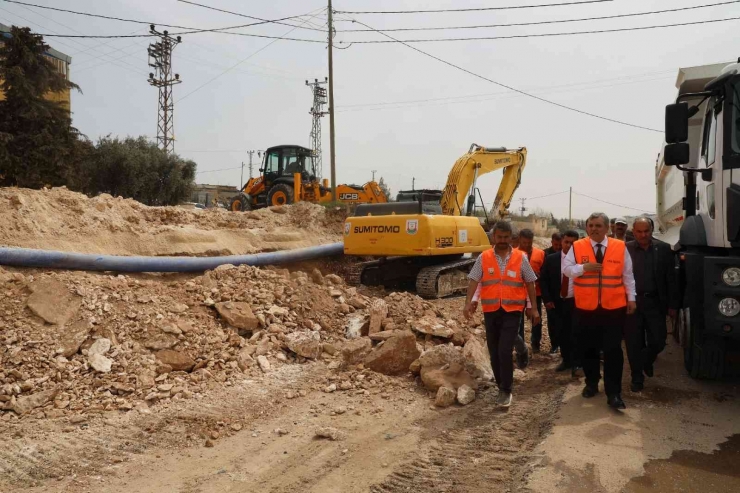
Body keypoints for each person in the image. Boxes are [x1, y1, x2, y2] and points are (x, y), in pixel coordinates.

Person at [563, 212, 636, 410]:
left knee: (613, 350)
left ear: (607, 228)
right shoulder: (578, 247)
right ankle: (592, 383)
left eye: (598, 225)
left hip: (613, 308)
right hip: (586, 308)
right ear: (587, 228)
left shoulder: (620, 247)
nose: (594, 228)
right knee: (588, 348)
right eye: (591, 225)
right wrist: (583, 268)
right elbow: (566, 269)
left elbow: (628, 275)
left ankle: (614, 393)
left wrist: (631, 298)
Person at [464, 221, 540, 408]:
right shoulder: (484, 257)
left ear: (511, 238)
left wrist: (534, 307)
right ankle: (501, 384)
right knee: (494, 351)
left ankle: (506, 390)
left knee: (504, 350)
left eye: (506, 237)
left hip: (513, 310)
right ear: (493, 237)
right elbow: (474, 280)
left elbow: (530, 283)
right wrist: (469, 302)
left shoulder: (521, 258)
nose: (503, 241)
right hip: (491, 310)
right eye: (499, 237)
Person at [625, 217, 679, 392]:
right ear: (633, 232)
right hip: (632, 303)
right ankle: (637, 377)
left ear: (651, 230)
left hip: (655, 303)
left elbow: (671, 279)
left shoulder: (663, 249)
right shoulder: (625, 249)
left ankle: (646, 360)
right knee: (634, 342)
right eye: (639, 231)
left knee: (659, 340)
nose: (643, 235)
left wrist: (672, 304)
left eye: (646, 231)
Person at [540, 230, 580, 373]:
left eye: (572, 243)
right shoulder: (551, 259)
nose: (569, 245)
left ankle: (577, 361)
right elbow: (543, 280)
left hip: (576, 302)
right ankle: (566, 360)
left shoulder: (581, 260)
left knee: (576, 332)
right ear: (562, 242)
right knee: (561, 332)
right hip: (558, 302)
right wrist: (547, 299)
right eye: (566, 242)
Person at [517, 229, 547, 353]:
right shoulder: (514, 254)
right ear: (519, 240)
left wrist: (538, 276)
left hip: (536, 293)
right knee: (519, 322)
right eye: (524, 243)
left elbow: (545, 272)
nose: (527, 245)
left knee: (536, 319)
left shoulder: (540, 253)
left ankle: (535, 344)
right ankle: (520, 346)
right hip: (518, 294)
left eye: (529, 243)